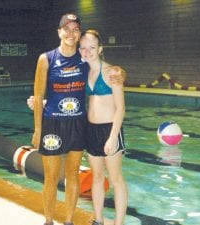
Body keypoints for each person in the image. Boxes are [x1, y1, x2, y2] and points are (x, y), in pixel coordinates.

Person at [30, 13, 125, 225]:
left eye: (75, 29)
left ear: (79, 33)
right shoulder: (46, 59)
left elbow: (106, 69)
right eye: (67, 28)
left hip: (77, 124)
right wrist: (37, 129)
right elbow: (38, 96)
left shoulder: (84, 60)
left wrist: (120, 72)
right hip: (52, 124)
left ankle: (69, 221)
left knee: (72, 175)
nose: (71, 33)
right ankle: (48, 221)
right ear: (59, 32)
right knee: (51, 178)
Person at [79, 29, 128, 225]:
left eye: (91, 47)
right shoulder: (83, 72)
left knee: (116, 179)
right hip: (91, 130)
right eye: (83, 47)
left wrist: (113, 136)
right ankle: (98, 220)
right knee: (97, 178)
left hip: (110, 130)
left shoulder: (112, 72)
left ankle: (118, 223)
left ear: (100, 49)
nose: (87, 51)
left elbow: (121, 108)